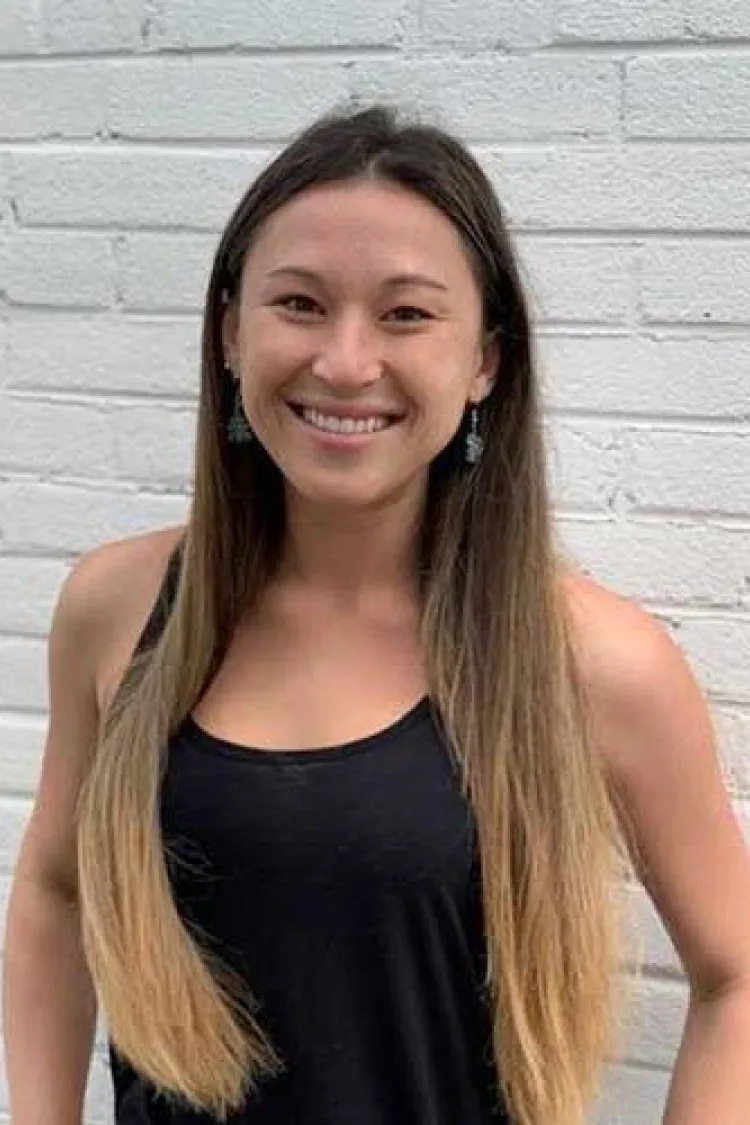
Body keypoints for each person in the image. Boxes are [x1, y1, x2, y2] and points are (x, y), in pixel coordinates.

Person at [4, 102, 750, 1125]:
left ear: (485, 358)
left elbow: (736, 977)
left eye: (406, 315)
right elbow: (52, 890)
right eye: (300, 304)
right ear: (230, 333)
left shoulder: (594, 662)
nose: (347, 362)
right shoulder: (121, 610)